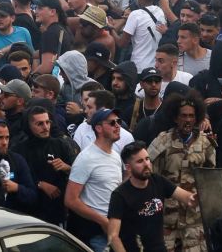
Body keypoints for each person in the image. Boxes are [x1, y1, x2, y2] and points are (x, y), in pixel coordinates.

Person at [147, 97, 215, 251]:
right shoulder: (162, 140)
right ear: (175, 118)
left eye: (191, 116)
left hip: (194, 220)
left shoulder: (205, 144)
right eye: (183, 116)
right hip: (168, 218)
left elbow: (211, 180)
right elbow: (150, 175)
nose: (188, 120)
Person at [107, 141, 199, 252]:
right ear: (128, 167)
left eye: (147, 159)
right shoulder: (120, 195)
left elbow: (187, 198)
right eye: (140, 161)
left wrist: (202, 198)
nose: (146, 164)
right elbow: (113, 236)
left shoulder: (158, 181)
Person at [65, 108, 123, 251]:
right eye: (112, 122)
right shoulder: (86, 158)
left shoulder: (115, 155)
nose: (117, 126)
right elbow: (70, 200)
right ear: (98, 128)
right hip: (95, 231)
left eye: (119, 122)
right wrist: (102, 220)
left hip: (115, 225)